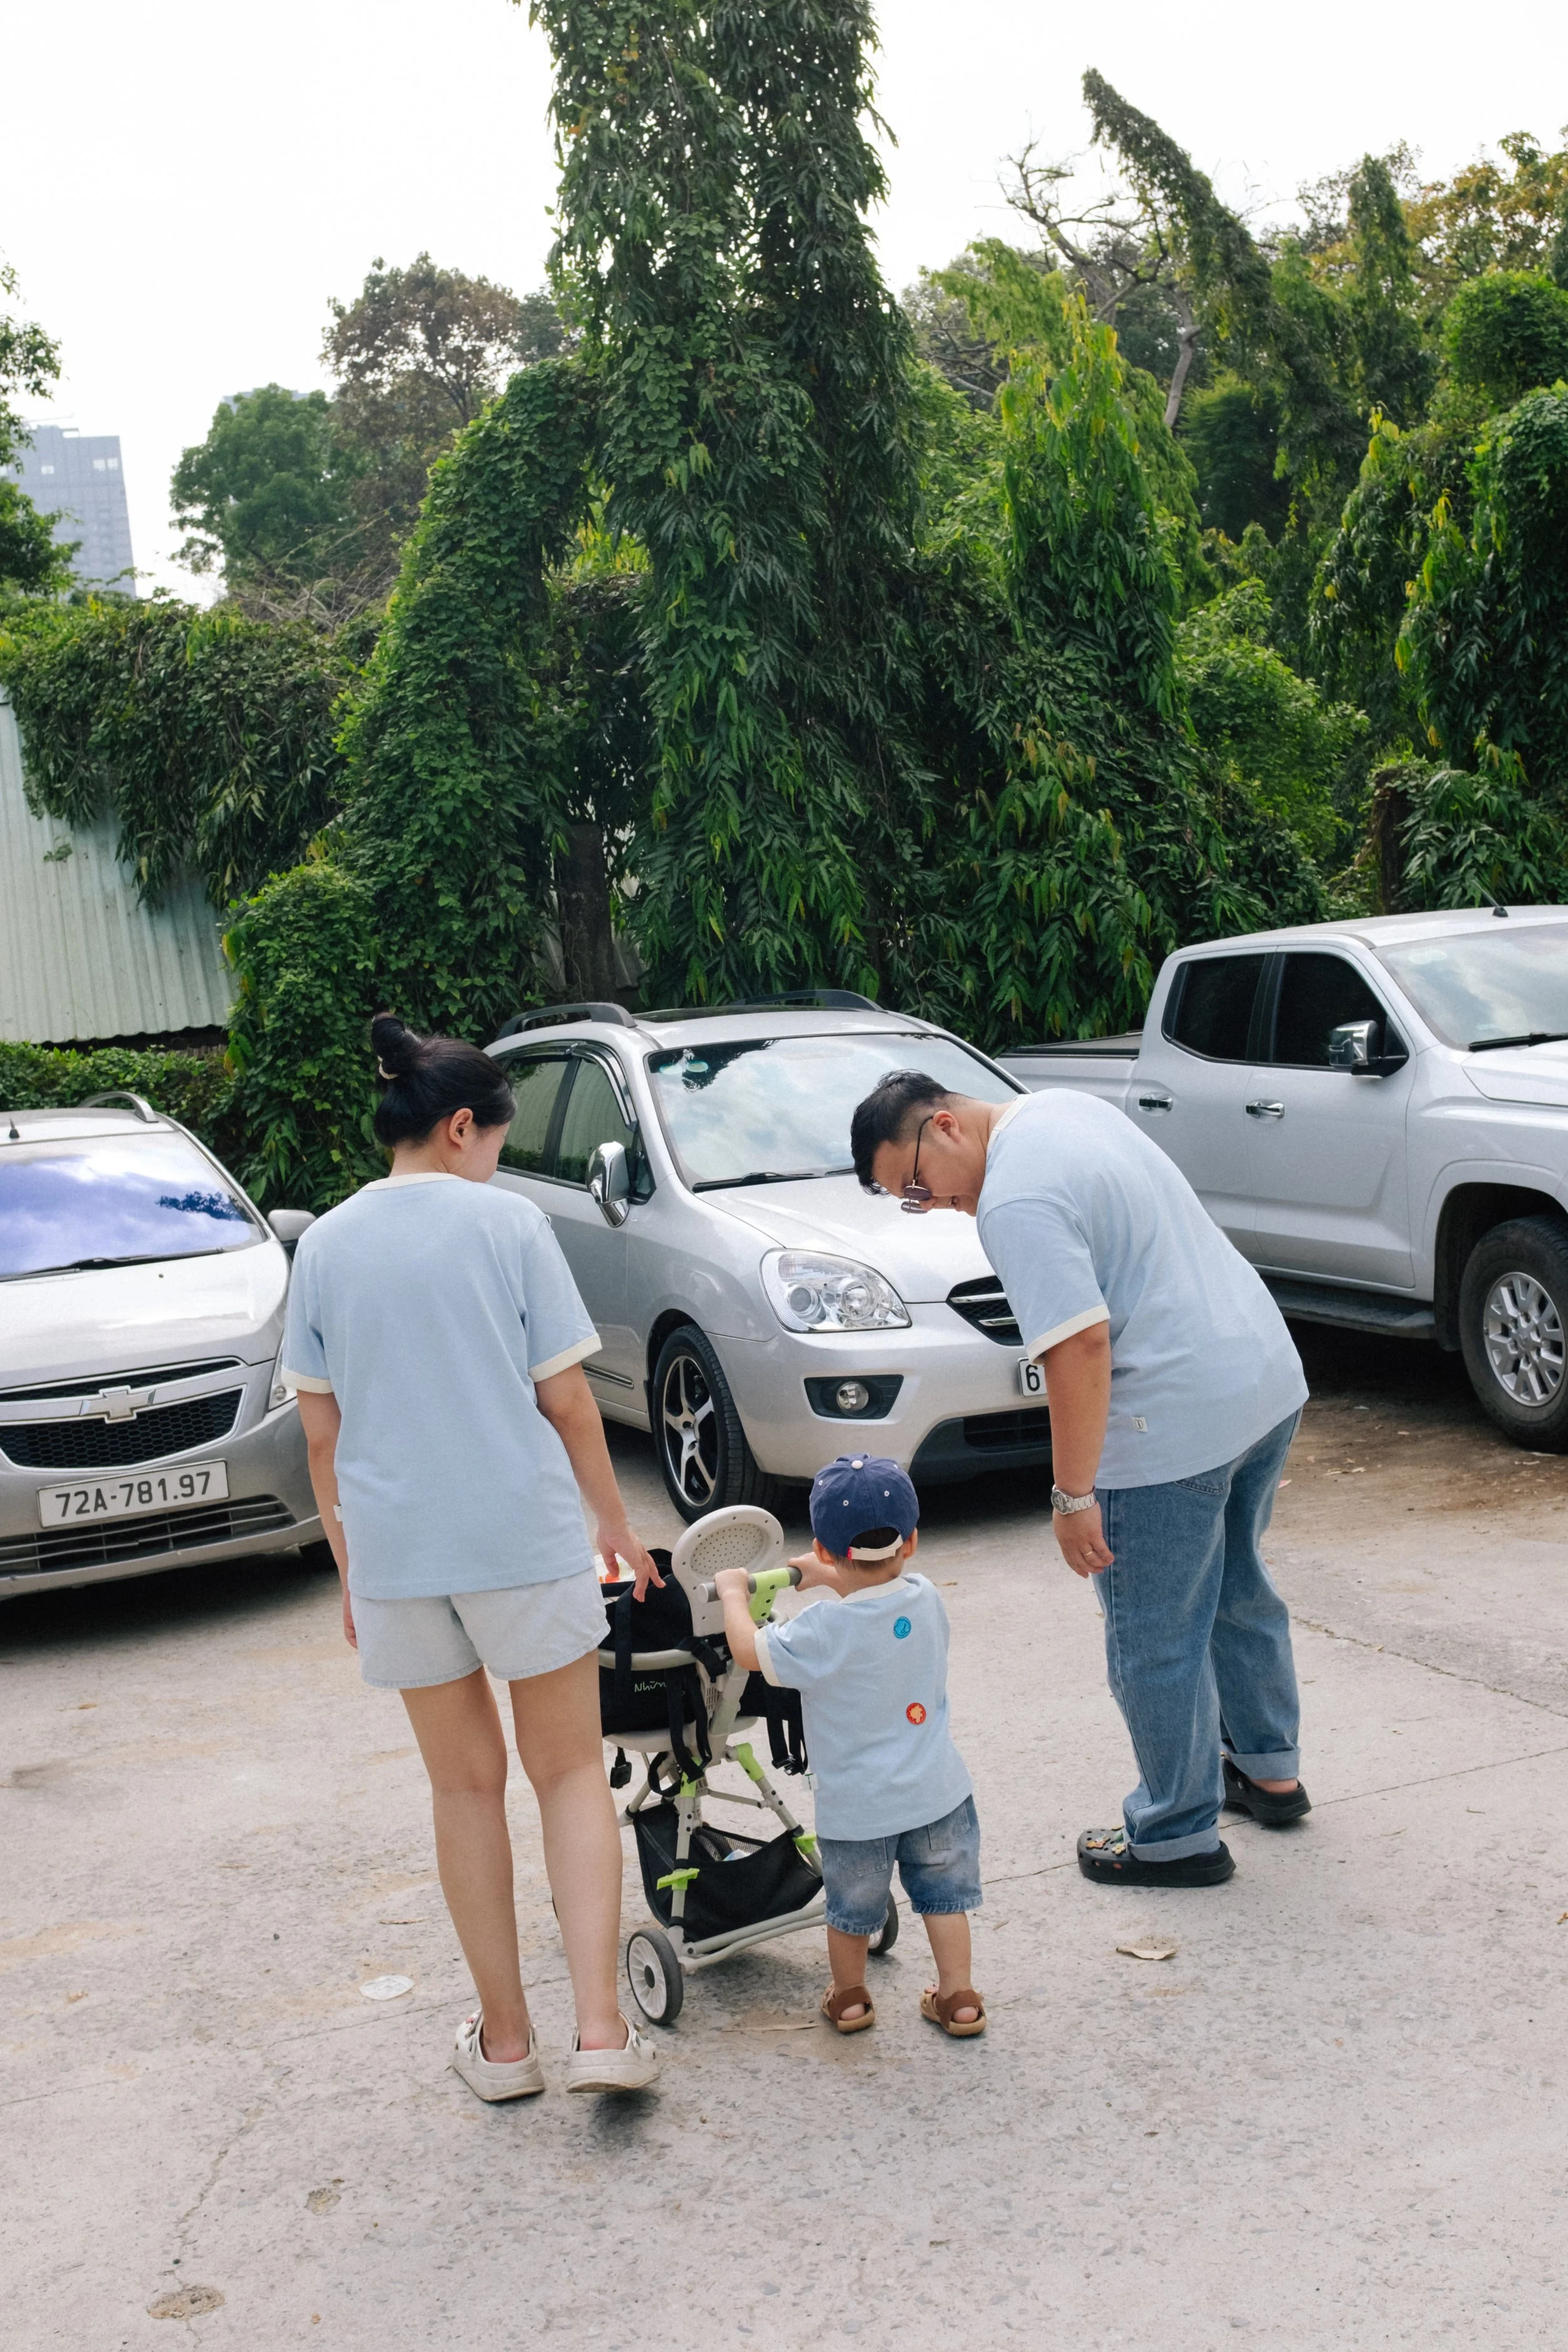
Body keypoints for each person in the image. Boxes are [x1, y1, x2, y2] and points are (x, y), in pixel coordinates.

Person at [284, 1013, 663, 2101]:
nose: (495, 1158)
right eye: (494, 1139)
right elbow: (569, 1405)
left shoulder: (327, 1245)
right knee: (569, 1773)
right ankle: (601, 2033)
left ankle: (505, 2047)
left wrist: (354, 1572)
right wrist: (614, 1526)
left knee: (463, 1792)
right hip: (521, 1540)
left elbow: (323, 1433)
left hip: (401, 1556)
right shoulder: (509, 1229)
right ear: (461, 1128)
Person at [850, 1071, 1312, 1890]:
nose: (927, 1202)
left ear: (946, 1127)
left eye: (916, 1185)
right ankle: (1270, 1768)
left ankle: (1176, 1833)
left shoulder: (1013, 1200)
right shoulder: (1065, 1109)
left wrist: (1072, 1494)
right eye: (906, 1200)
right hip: (1261, 1378)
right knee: (1238, 1582)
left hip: (1173, 1421)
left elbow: (1079, 1348)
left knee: (1152, 1635)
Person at [716, 1454, 985, 2038]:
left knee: (850, 1911)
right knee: (944, 1901)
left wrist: (733, 1593)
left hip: (858, 1812)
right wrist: (834, 1574)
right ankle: (960, 1998)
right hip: (938, 1795)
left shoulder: (820, 1631)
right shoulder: (926, 1596)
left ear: (824, 1545)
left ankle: (851, 1999)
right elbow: (878, 1598)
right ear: (910, 1541)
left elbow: (748, 1651)